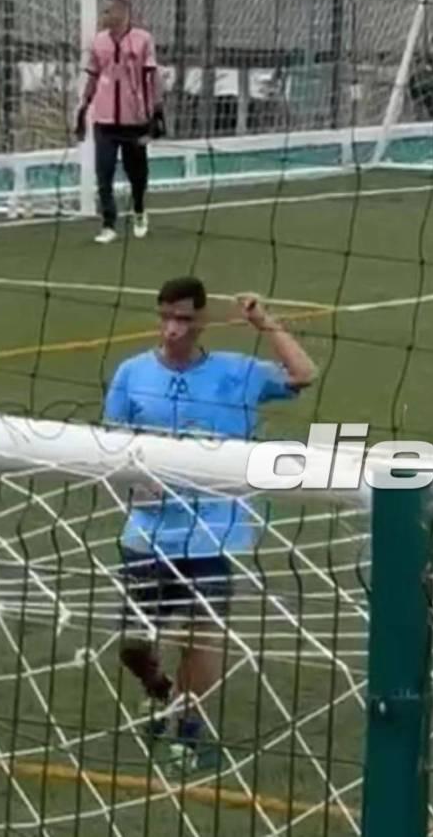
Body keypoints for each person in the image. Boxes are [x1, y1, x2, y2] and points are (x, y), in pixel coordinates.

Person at [103, 276, 317, 771]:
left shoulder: (236, 372)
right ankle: (159, 690)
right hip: (149, 533)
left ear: (200, 321)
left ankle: (188, 727)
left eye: (182, 318)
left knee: (202, 637)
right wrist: (130, 485)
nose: (173, 328)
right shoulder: (132, 374)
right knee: (135, 645)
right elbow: (110, 447)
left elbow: (304, 373)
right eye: (166, 317)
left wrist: (265, 323)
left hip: (214, 532)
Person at [76, 0, 166, 245]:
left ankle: (139, 210)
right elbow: (93, 76)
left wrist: (157, 109)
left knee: (137, 173)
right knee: (103, 172)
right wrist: (84, 108)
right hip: (104, 120)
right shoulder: (98, 42)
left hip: (134, 120)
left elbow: (152, 76)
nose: (104, 16)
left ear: (122, 12)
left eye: (108, 11)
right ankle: (108, 224)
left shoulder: (143, 40)